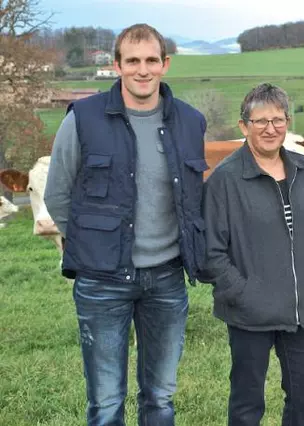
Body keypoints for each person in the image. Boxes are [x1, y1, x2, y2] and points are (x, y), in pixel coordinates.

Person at [44, 24, 208, 426]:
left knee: (161, 399)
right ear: (116, 66)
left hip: (167, 279)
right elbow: (57, 194)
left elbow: (194, 198)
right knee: (105, 403)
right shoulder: (82, 118)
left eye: (151, 60)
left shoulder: (191, 121)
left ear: (165, 64)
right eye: (132, 60)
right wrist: (90, 245)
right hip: (102, 280)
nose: (142, 69)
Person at [200, 83, 304, 426]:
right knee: (248, 405)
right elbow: (211, 252)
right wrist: (242, 293)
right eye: (260, 121)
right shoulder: (225, 180)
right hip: (250, 314)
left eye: (278, 120)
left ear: (287, 122)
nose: (270, 128)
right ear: (244, 126)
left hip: (302, 312)